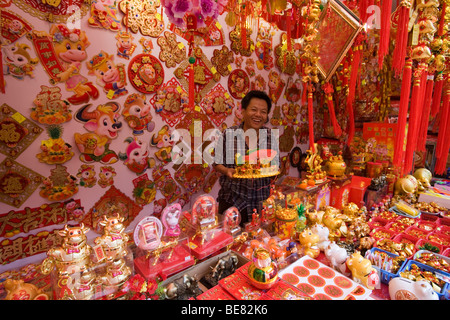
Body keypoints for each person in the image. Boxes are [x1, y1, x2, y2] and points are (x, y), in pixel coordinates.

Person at [213, 90, 279, 225]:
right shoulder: (228, 134)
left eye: (263, 112)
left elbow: (276, 165)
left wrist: (273, 169)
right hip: (233, 200)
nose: (258, 115)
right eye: (254, 110)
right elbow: (217, 163)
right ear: (243, 111)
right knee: (230, 242)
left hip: (261, 201)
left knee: (258, 242)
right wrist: (227, 171)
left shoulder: (270, 136)